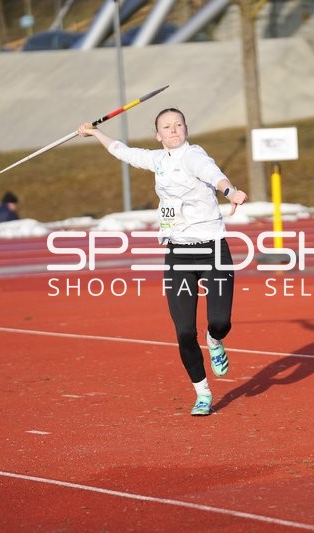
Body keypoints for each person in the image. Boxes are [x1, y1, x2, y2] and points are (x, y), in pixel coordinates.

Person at [77, 108, 248, 416]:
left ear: (186, 128)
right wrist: (94, 133)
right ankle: (202, 393)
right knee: (183, 332)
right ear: (158, 135)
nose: (173, 130)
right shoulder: (157, 160)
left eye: (178, 125)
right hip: (178, 254)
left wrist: (230, 192)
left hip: (212, 250)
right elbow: (123, 152)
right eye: (166, 127)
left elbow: (215, 175)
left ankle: (215, 340)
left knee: (220, 322)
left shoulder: (194, 156)